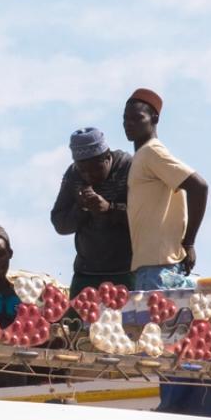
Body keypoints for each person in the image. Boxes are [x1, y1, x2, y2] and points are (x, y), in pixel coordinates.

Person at [122, 87, 209, 291]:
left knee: (155, 324)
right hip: (153, 268)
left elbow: (199, 187)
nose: (128, 124)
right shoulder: (143, 155)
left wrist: (189, 243)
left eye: (137, 118)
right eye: (125, 119)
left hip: (157, 268)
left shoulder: (152, 152)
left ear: (154, 119)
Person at [50, 127, 134, 296]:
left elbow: (145, 218)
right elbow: (60, 223)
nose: (89, 176)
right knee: (74, 322)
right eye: (83, 170)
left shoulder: (128, 167)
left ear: (107, 156)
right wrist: (81, 208)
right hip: (87, 274)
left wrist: (109, 208)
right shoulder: (73, 174)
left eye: (95, 169)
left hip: (126, 272)